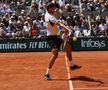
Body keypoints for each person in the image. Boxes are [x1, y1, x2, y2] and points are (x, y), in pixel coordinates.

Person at [44, 2, 81, 80]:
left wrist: (56, 11)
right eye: (53, 7)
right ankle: (47, 73)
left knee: (68, 46)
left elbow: (57, 19)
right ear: (49, 9)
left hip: (56, 35)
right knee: (55, 54)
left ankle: (72, 65)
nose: (54, 8)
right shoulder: (50, 17)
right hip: (51, 38)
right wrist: (68, 29)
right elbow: (60, 24)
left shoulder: (49, 13)